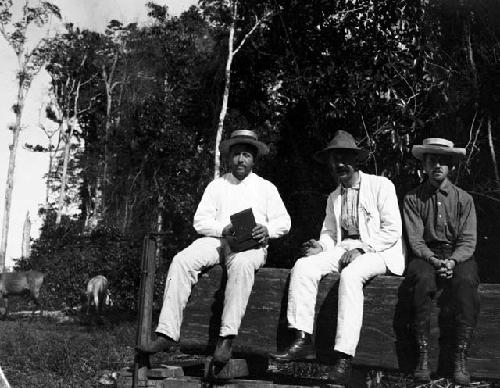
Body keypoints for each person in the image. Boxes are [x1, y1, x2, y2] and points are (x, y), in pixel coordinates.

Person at [137, 129, 291, 365]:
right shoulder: (217, 186)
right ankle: (167, 332)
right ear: (229, 157)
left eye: (246, 155)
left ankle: (226, 338)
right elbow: (200, 221)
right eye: (237, 154)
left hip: (250, 246)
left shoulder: (266, 188)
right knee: (182, 260)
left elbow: (285, 222)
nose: (241, 159)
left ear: (253, 159)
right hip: (219, 241)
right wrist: (222, 229)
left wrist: (267, 230)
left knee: (241, 265)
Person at [270, 130, 405, 384]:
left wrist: (363, 249)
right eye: (334, 160)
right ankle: (302, 338)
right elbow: (330, 234)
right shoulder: (334, 197)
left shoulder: (381, 186)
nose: (340, 164)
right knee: (303, 266)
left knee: (351, 275)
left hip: (381, 250)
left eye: (344, 158)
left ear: (356, 161)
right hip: (345, 249)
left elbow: (393, 230)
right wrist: (320, 248)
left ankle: (343, 357)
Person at [403, 138, 479, 385]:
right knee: (422, 280)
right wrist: (435, 261)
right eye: (431, 160)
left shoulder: (463, 199)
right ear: (424, 165)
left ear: (451, 167)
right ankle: (422, 355)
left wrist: (453, 262)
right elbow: (415, 240)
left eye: (443, 161)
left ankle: (460, 357)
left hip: (458, 255)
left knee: (466, 282)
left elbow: (468, 241)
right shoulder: (413, 199)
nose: (437, 165)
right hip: (426, 255)